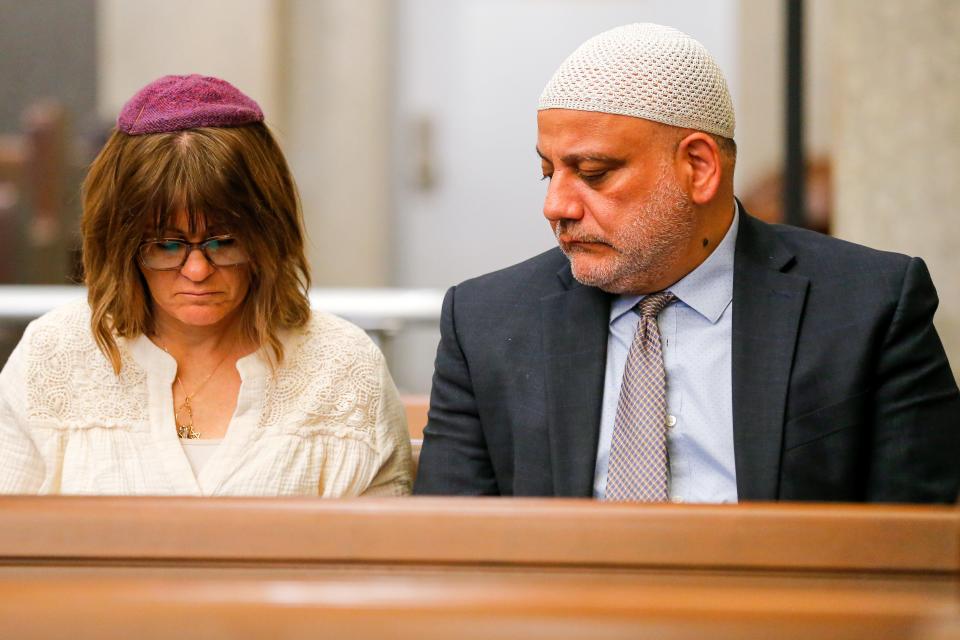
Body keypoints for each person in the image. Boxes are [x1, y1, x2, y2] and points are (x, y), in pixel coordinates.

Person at [414, 23, 960, 502]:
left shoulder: (867, 306)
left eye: (595, 172)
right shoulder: (485, 322)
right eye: (547, 171)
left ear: (698, 167)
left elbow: (918, 548)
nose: (556, 206)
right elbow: (451, 555)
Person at [0, 75, 412, 496]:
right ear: (120, 244)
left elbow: (388, 553)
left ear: (270, 235)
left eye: (224, 241)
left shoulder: (343, 366)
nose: (196, 270)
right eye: (165, 244)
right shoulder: (53, 353)